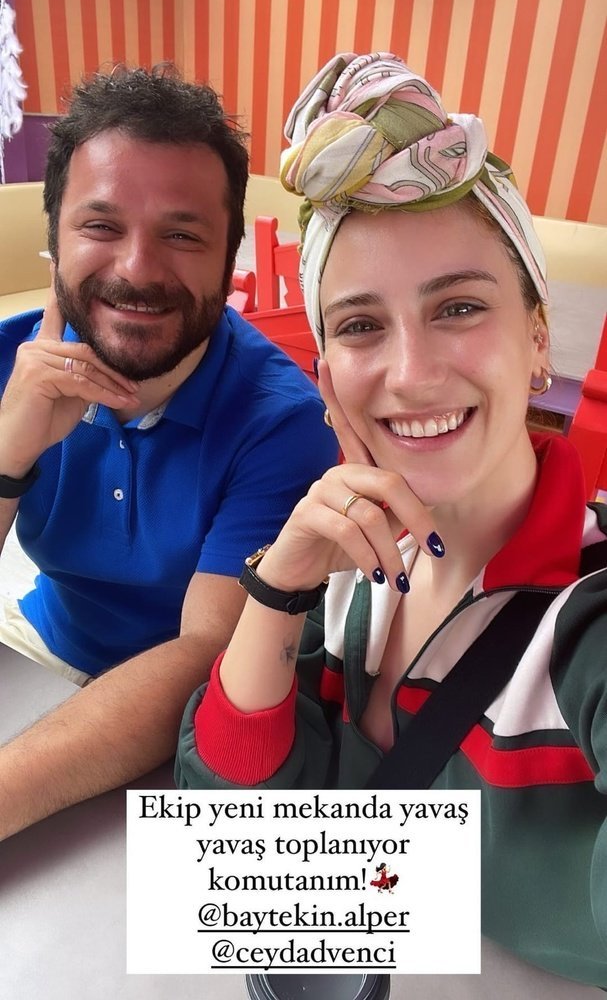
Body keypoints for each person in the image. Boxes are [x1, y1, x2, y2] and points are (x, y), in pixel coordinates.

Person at [176, 53, 607, 989]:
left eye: (459, 307)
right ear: (326, 376)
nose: (409, 374)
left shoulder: (588, 617)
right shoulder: (343, 577)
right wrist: (277, 586)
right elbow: (229, 836)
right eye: (361, 325)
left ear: (536, 339)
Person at [0, 64, 337, 840]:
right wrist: (9, 454)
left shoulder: (283, 421)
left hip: (183, 714)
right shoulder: (12, 362)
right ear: (54, 238)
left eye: (182, 235)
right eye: (100, 226)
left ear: (228, 260)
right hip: (37, 648)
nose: (137, 270)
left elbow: (204, 653)